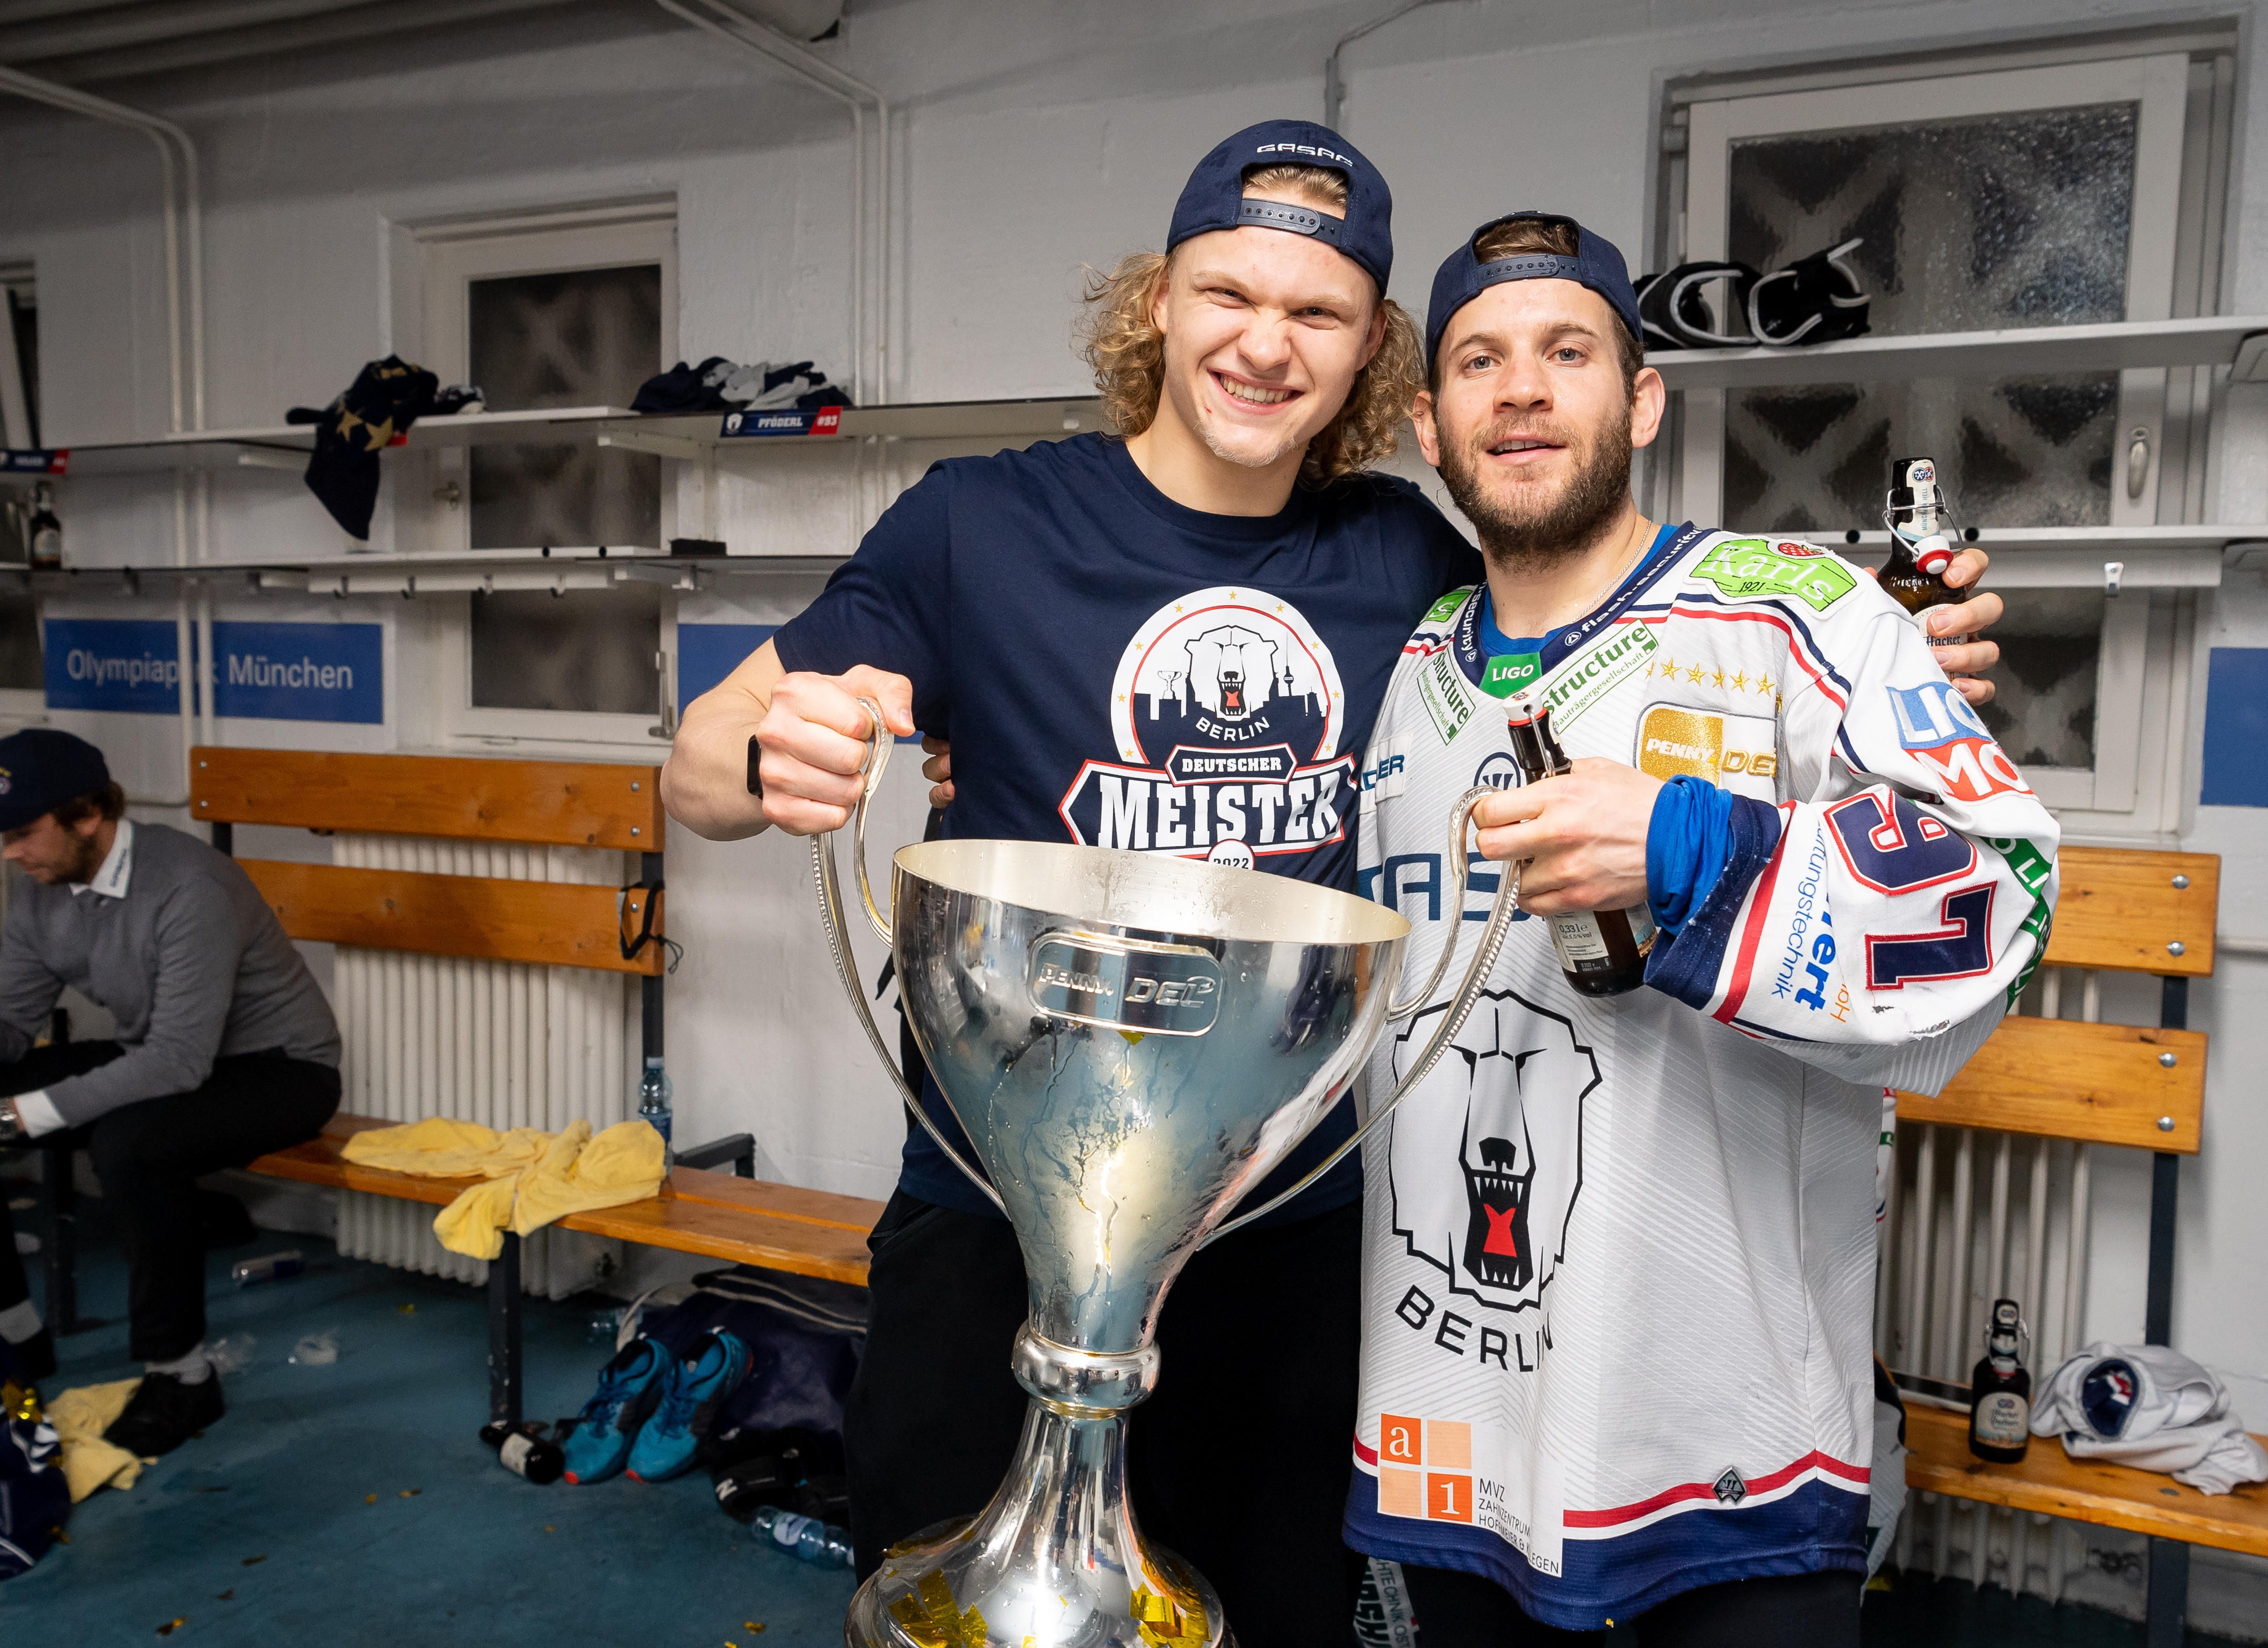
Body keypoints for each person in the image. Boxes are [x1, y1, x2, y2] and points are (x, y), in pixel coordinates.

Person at [662, 124, 2002, 1641]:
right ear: (1158, 302)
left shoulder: (1397, 558)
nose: (1263, 345)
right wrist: (773, 753)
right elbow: (702, 763)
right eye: (1229, 293)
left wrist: (1876, 652)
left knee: (1267, 1616)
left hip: (1286, 1231)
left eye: (1319, 315)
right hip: (999, 1215)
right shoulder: (981, 524)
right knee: (962, 1614)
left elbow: (1587, 625)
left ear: (1373, 358)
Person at [1340, 213, 2061, 1645]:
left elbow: (2002, 890)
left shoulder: (1800, 616)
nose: (1524, 390)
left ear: (1643, 398)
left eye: (1569, 352)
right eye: (1481, 360)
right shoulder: (1410, 665)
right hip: (1456, 1420)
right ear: (1429, 421)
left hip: (1727, 1442)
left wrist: (1690, 845)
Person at [0, 730, 341, 1454]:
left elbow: (178, 1063)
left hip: (278, 1068)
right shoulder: (38, 889)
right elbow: (8, 1019)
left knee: (129, 1146)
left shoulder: (190, 883)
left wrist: (19, 1114)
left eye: (23, 833)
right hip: (158, 1056)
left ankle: (181, 1377)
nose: (8, 852)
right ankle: (15, 1336)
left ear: (87, 815)